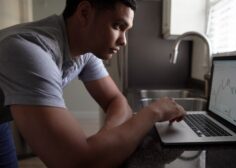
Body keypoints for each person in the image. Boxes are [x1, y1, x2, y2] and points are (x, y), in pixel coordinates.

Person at [0, 0, 186, 167]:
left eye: (126, 30)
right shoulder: (26, 50)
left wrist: (105, 140)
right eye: (117, 26)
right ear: (84, 13)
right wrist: (154, 112)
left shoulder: (85, 52)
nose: (123, 41)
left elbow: (116, 100)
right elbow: (75, 163)